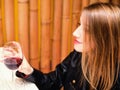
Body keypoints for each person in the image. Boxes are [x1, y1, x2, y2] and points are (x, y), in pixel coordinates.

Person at [16, 2, 120, 90]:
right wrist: (29, 70)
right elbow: (53, 82)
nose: (75, 33)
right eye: (80, 25)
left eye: (87, 30)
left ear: (105, 38)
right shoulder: (76, 56)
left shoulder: (116, 79)